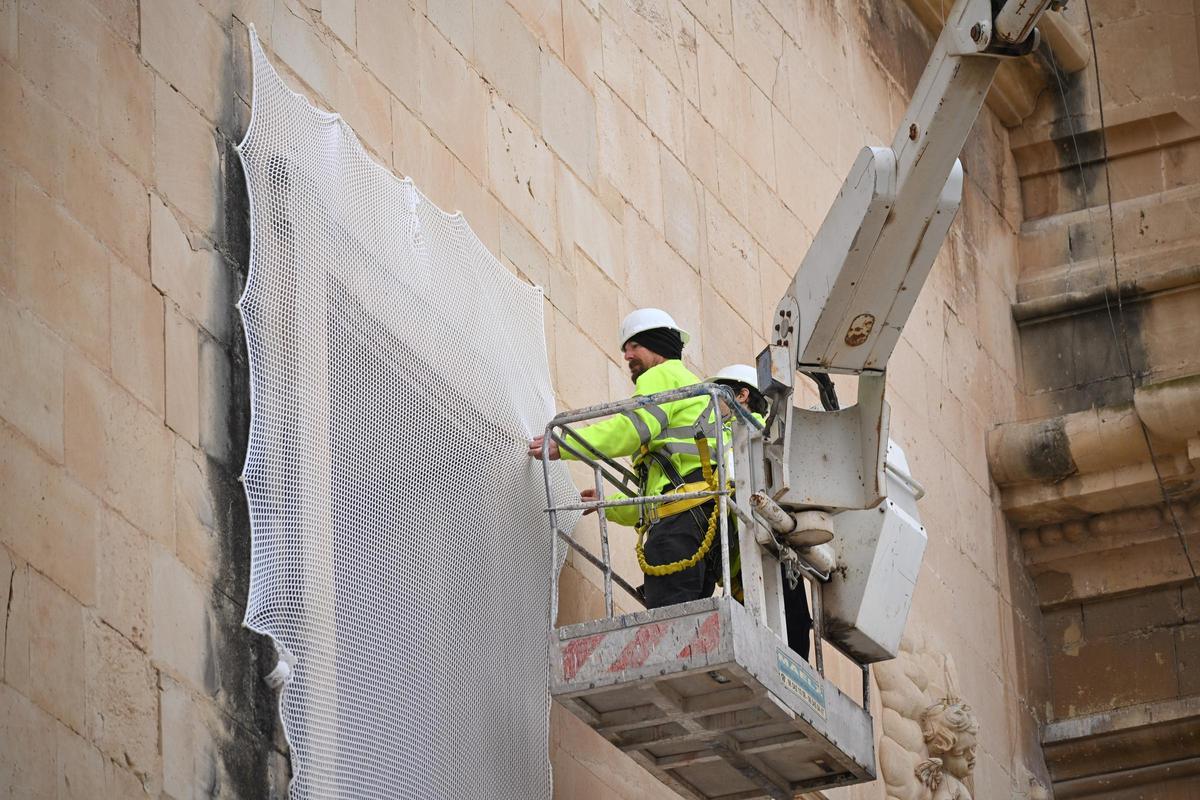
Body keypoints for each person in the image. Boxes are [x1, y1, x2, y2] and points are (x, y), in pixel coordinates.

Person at [528, 309, 722, 609]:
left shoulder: (663, 374)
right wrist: (609, 505)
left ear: (658, 345)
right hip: (700, 522)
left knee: (667, 623)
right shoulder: (689, 384)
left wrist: (567, 444)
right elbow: (655, 499)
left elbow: (631, 429)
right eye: (624, 348)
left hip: (680, 521)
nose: (627, 355)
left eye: (634, 346)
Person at [709, 364, 813, 661]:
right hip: (751, 558)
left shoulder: (752, 436)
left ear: (742, 395)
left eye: (718, 395)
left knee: (786, 634)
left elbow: (732, 478)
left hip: (767, 549)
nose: (711, 405)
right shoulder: (737, 436)